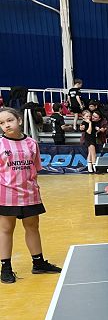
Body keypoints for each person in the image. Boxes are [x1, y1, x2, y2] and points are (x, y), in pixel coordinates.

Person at [0, 107, 62, 284]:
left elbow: (35, 169)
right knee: (6, 230)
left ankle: (38, 263)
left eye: (10, 120)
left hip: (29, 193)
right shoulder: (0, 144)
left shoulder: (32, 143)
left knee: (32, 227)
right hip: (6, 194)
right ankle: (5, 268)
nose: (6, 125)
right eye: (2, 123)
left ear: (19, 120)